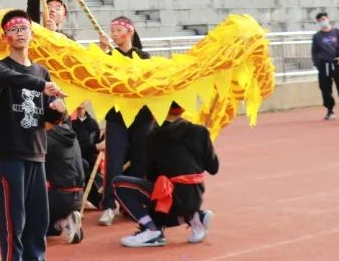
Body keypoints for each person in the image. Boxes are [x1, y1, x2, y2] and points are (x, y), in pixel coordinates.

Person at [0, 9, 67, 261]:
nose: (19, 33)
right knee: (14, 218)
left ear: (32, 33)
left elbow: (46, 115)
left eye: (24, 28)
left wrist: (58, 112)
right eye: (13, 29)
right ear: (5, 37)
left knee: (38, 216)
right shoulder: (0, 68)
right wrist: (42, 86)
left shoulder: (41, 71)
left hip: (37, 151)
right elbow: (11, 79)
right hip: (10, 152)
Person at [114, 103, 219, 248]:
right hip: (196, 196)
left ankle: (151, 230)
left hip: (172, 198)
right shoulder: (200, 131)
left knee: (119, 183)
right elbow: (213, 168)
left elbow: (150, 174)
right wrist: (206, 145)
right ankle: (194, 216)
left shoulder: (154, 136)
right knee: (165, 193)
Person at [97, 16, 154, 227]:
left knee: (139, 162)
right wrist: (102, 50)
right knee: (113, 163)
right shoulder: (109, 57)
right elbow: (97, 73)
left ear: (130, 32)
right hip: (116, 117)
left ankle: (133, 204)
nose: (114, 34)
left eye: (118, 30)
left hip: (142, 117)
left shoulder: (144, 57)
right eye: (112, 30)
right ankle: (109, 205)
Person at [46, 118, 85, 244]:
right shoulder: (73, 137)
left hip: (58, 196)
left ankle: (63, 223)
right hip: (78, 196)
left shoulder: (48, 139)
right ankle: (66, 221)